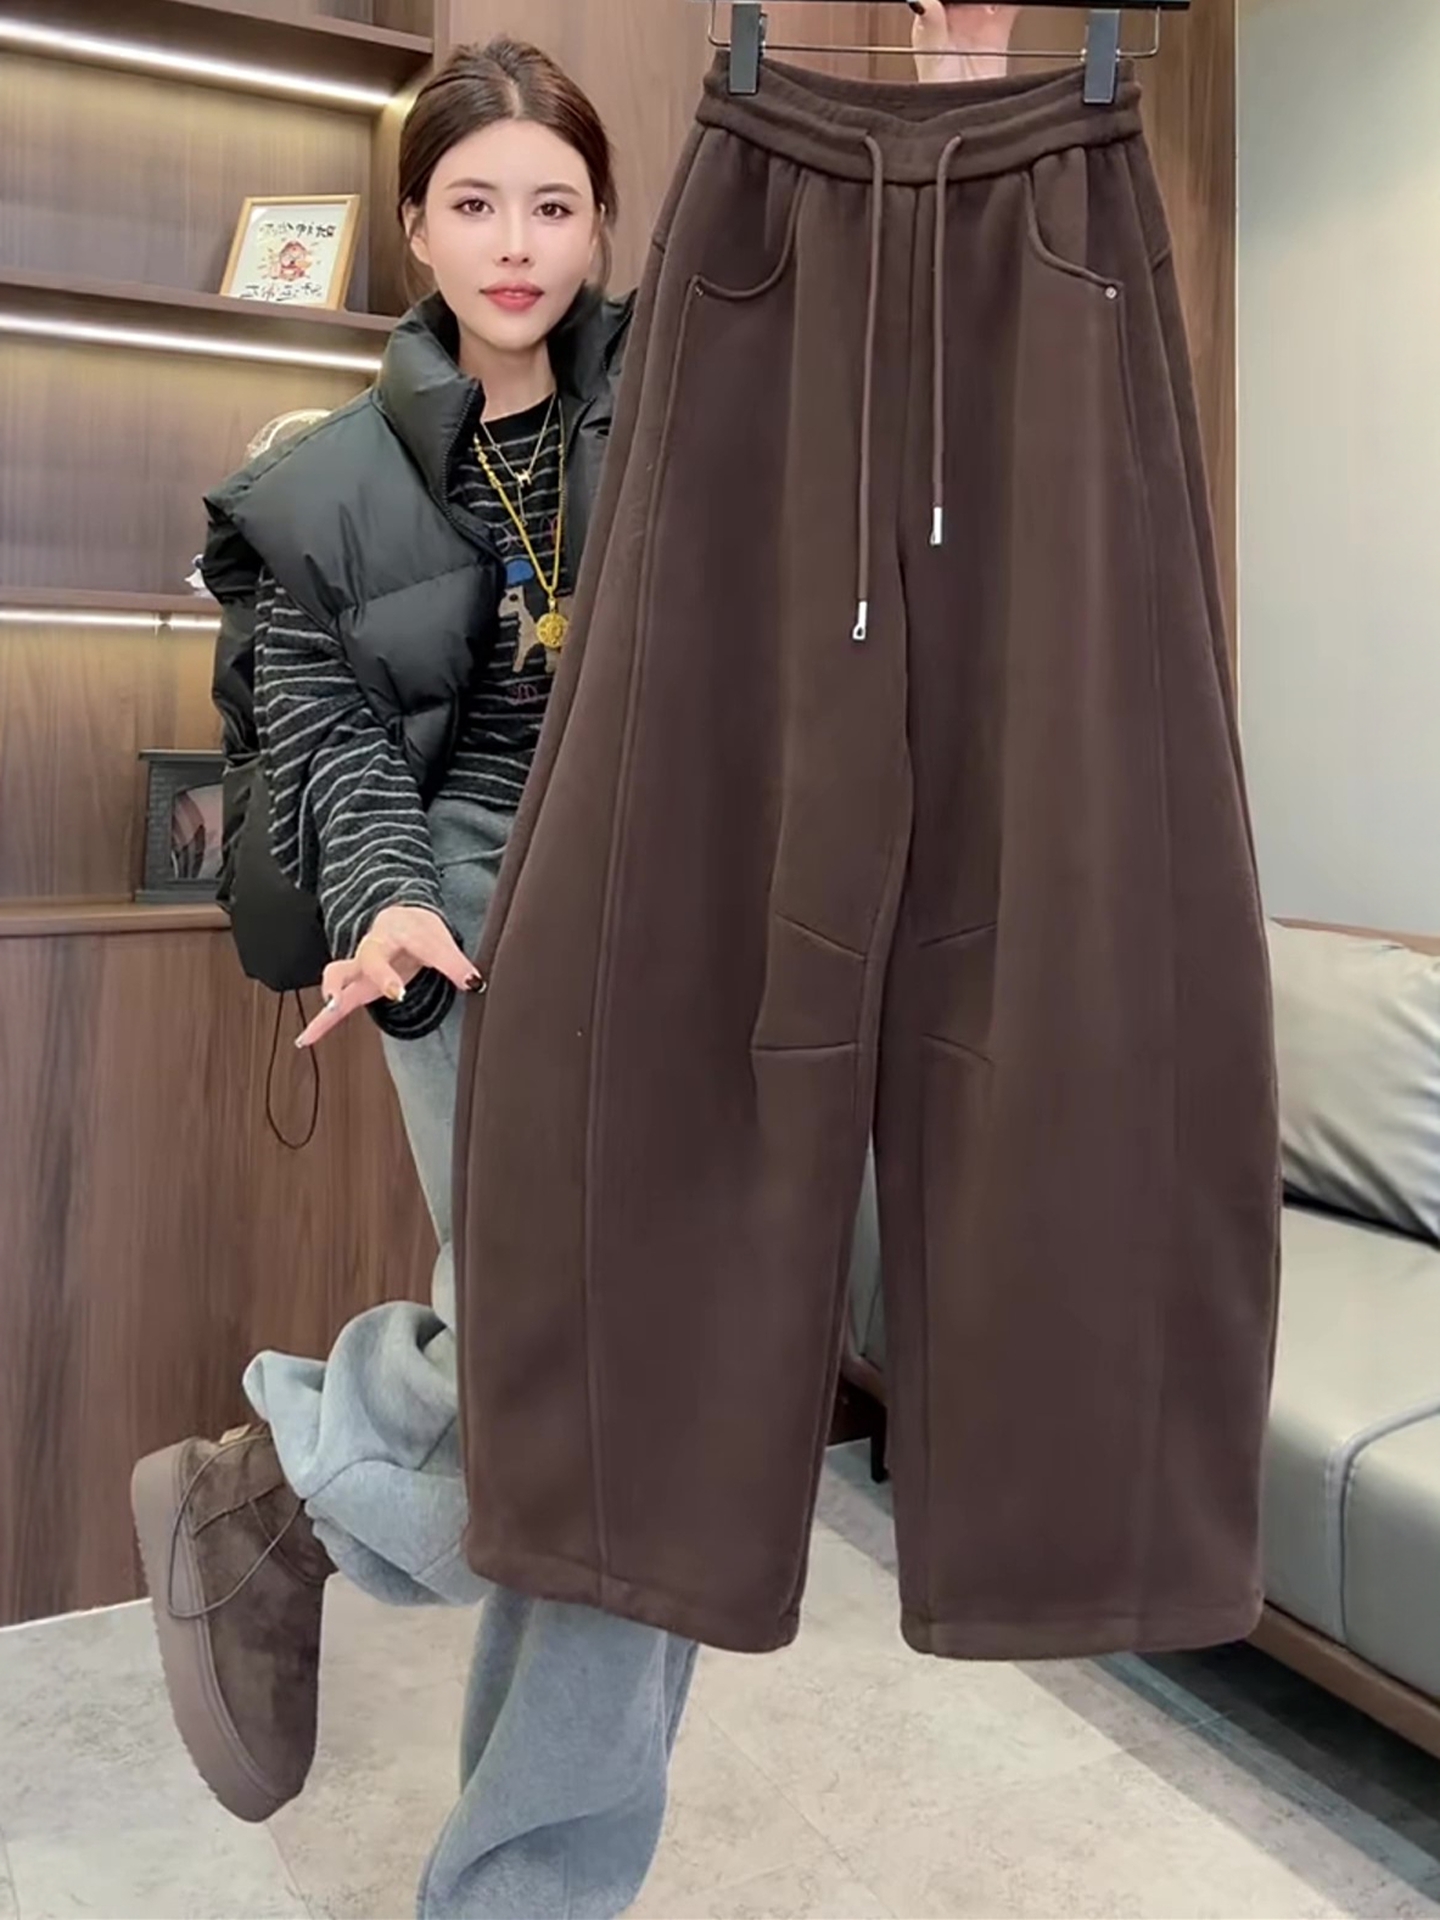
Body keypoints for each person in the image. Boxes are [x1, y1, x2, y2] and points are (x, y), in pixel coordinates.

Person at [131, 19, 1015, 1920]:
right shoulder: (316, 481)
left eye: (554, 204)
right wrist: (388, 906)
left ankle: (289, 1486)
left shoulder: (703, 385)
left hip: (690, 899)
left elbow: (885, 362)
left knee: (654, 1410)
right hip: (458, 923)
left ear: (607, 226)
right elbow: (331, 741)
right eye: (475, 205)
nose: (517, 243)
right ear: (416, 230)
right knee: (613, 1392)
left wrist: (953, 126)